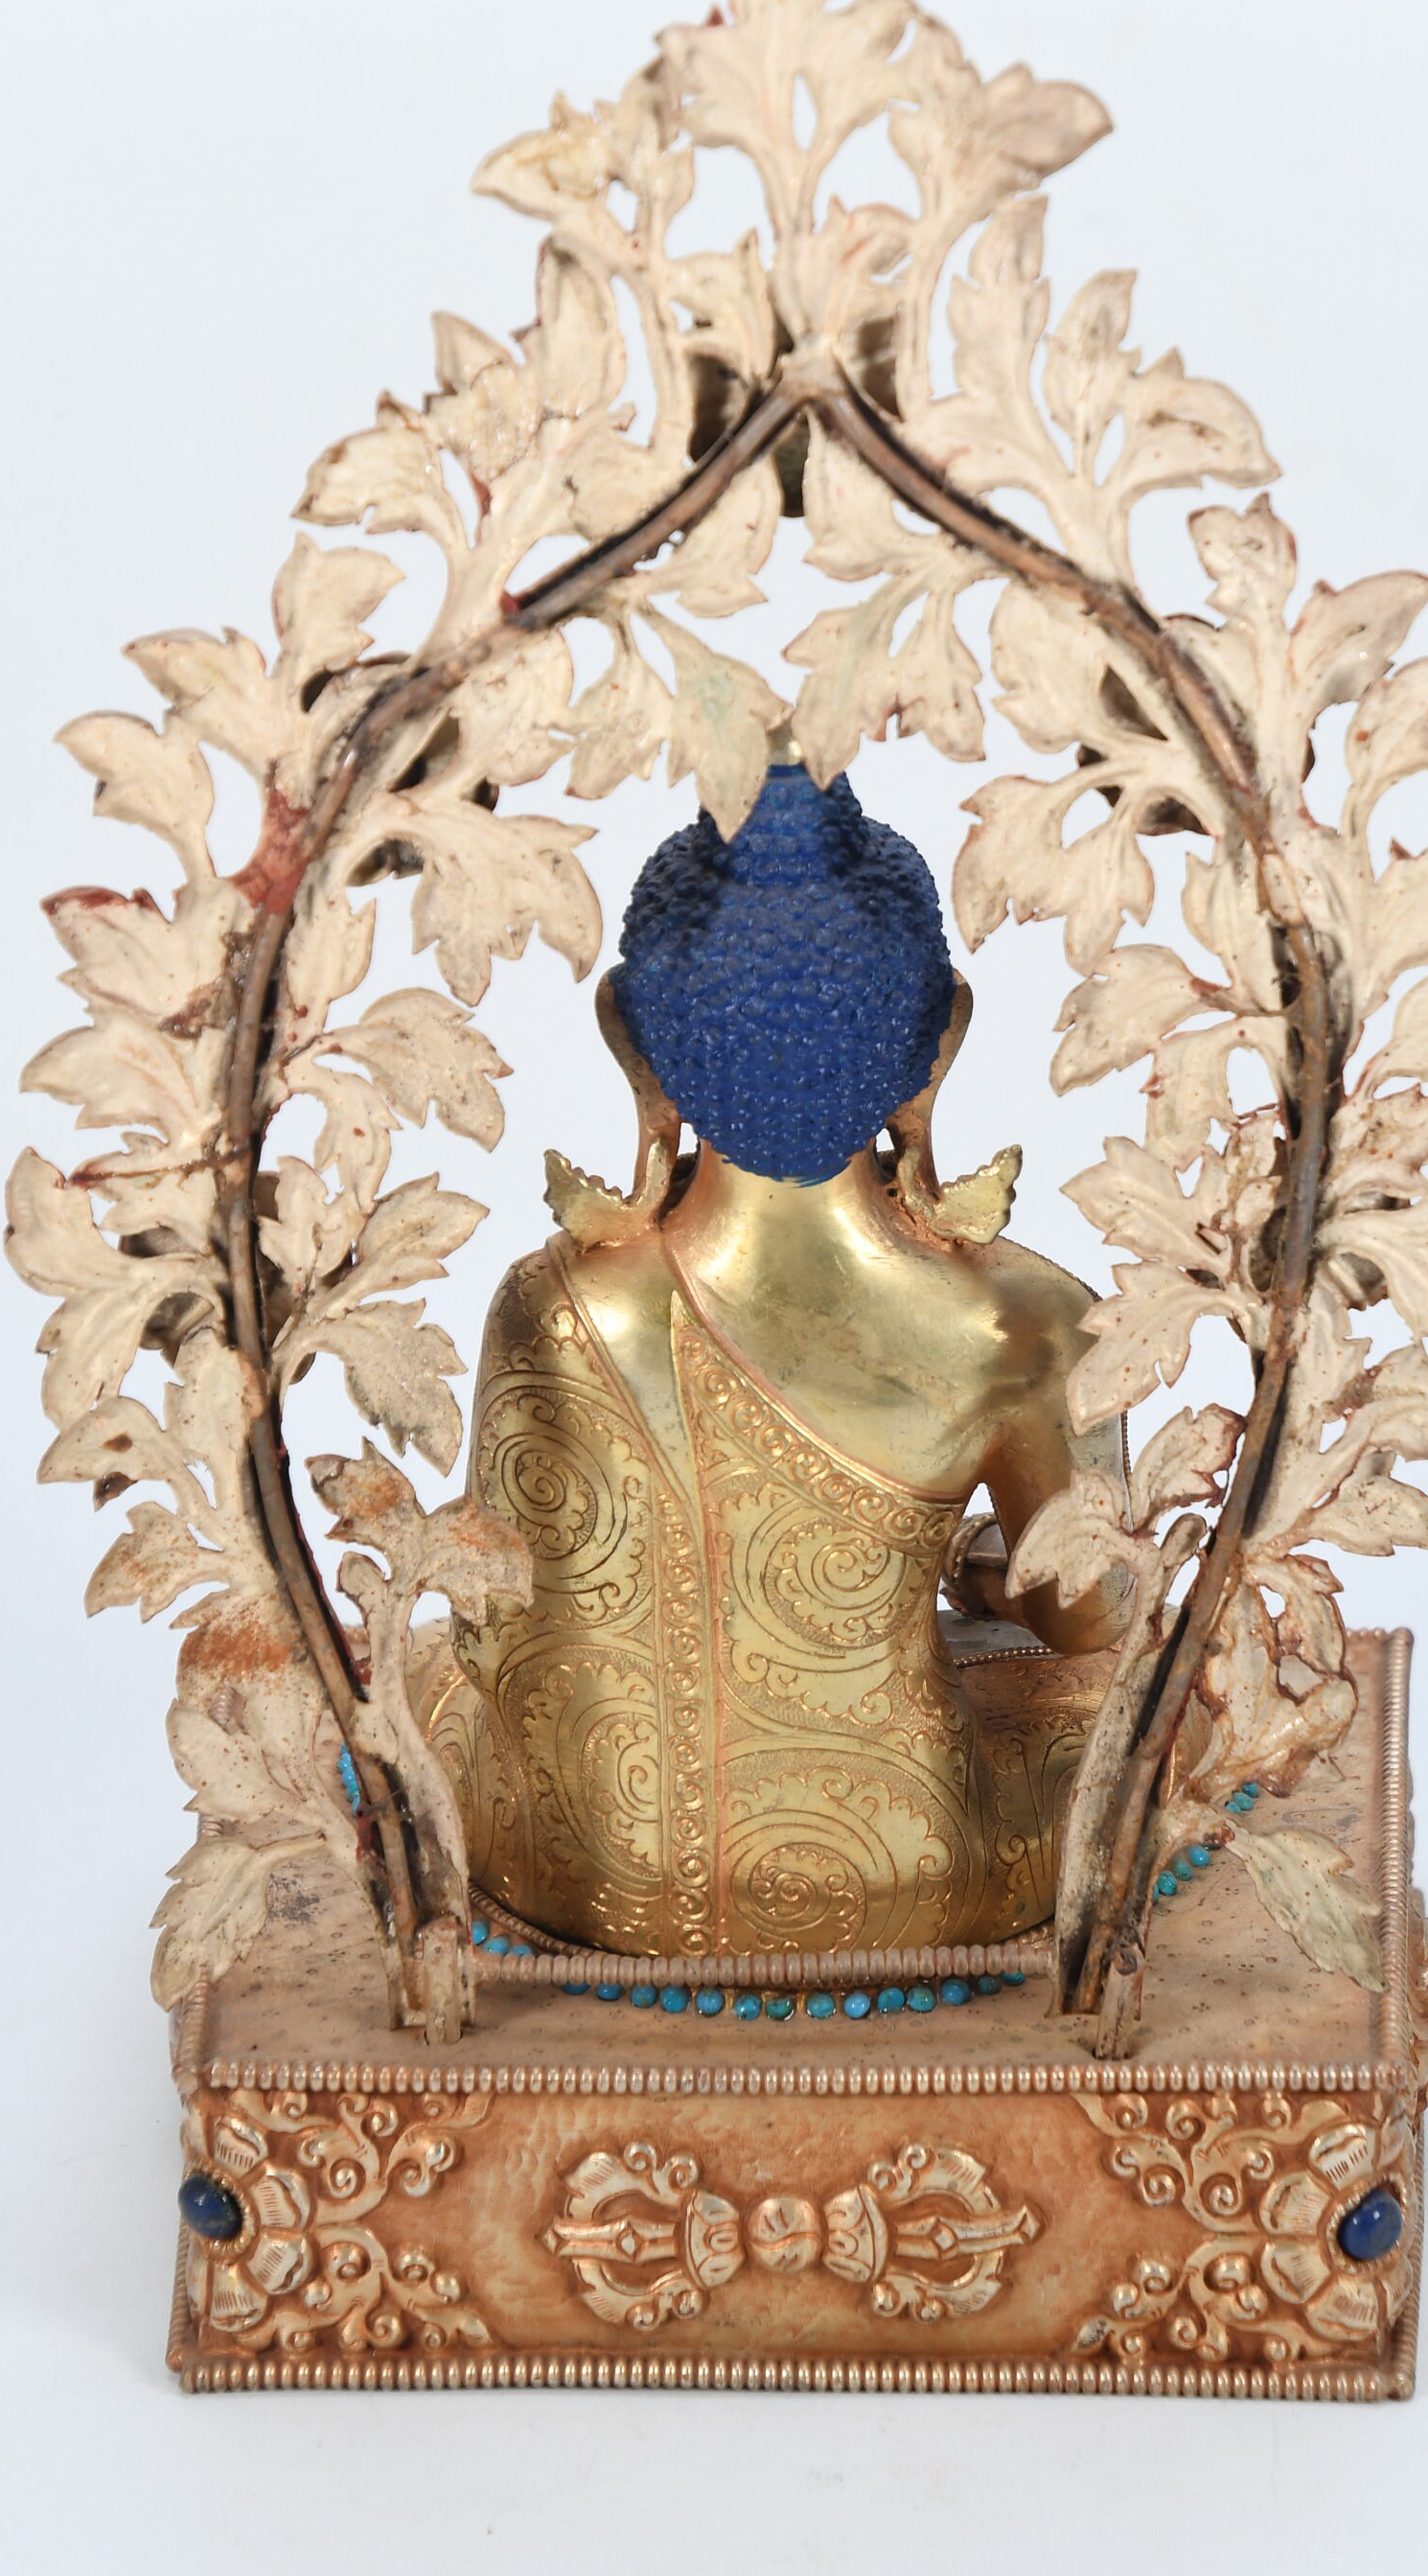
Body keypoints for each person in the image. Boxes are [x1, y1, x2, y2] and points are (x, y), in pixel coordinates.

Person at [413, 760, 1123, 1957]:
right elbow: (1091, 1619)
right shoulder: (1026, 1328)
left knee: (422, 1679)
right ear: (939, 1035)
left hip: (567, 1866)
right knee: (1148, 1704)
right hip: (914, 1874)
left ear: (631, 1037)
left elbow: (490, 1634)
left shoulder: (551, 1306)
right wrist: (986, 1578)